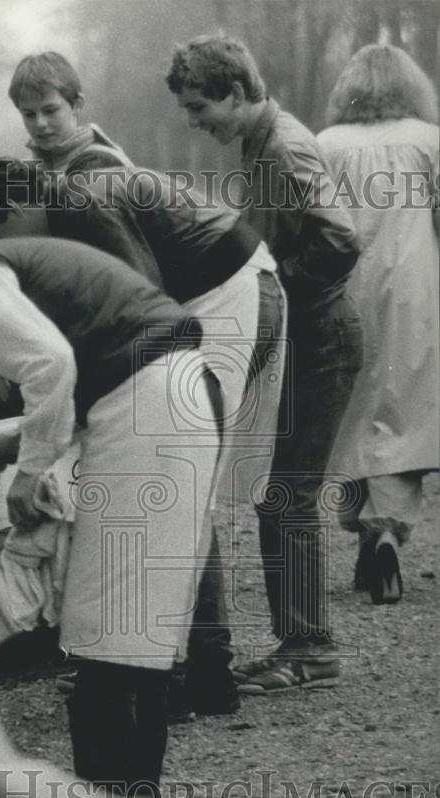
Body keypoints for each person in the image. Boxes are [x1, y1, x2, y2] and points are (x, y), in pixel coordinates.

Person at [0, 221, 222, 797]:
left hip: (151, 407)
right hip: (158, 396)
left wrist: (28, 474)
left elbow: (52, 365)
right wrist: (24, 437)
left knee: (117, 633)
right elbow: (88, 361)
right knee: (118, 629)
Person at [0, 155, 287, 717]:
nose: (0, 252)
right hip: (202, 304)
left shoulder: (81, 205)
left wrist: (36, 436)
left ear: (17, 206)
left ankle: (193, 673)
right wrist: (35, 429)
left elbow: (142, 323)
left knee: (173, 469)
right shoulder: (61, 222)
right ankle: (183, 669)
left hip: (230, 295)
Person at [166, 34, 364, 694]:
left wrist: (280, 291)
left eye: (200, 107)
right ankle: (301, 643)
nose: (196, 122)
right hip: (303, 337)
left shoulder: (282, 146)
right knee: (277, 497)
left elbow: (340, 238)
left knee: (288, 497)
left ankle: (309, 650)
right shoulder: (259, 142)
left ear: (234, 92)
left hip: (322, 338)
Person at [317, 44, 440, 604]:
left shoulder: (327, 145)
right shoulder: (430, 140)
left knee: (350, 411)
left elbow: (310, 224)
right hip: (416, 291)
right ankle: (388, 530)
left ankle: (362, 527)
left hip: (344, 290)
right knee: (403, 413)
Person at [9, 51, 131, 174]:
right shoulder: (21, 173)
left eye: (50, 111)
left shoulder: (109, 165)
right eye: (29, 114)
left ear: (76, 105)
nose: (40, 123)